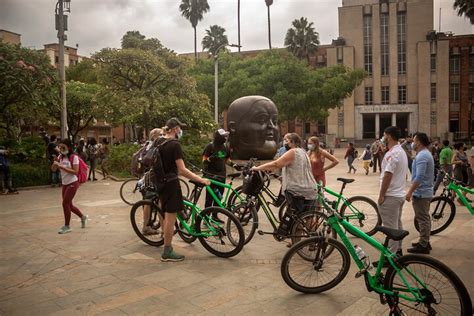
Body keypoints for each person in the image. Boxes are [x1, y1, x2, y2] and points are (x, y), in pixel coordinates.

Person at [158, 118, 210, 262]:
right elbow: (182, 170)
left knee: (166, 212)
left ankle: (167, 240)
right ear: (175, 129)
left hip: (161, 183)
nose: (181, 131)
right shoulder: (174, 145)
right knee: (170, 217)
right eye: (180, 128)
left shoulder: (159, 141)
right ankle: (167, 250)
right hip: (171, 183)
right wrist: (200, 179)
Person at [252, 133, 317, 237]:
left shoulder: (293, 152)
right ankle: (309, 241)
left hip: (298, 190)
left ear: (293, 142)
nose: (285, 142)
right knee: (305, 217)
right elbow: (299, 168)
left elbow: (276, 164)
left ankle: (298, 239)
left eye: (287, 140)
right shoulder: (303, 152)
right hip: (310, 188)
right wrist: (284, 177)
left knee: (297, 216)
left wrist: (257, 168)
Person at [375, 126, 408, 265]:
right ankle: (398, 251)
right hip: (398, 194)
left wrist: (382, 195)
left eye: (384, 135)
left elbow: (388, 174)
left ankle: (391, 257)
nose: (383, 138)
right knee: (397, 225)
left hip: (391, 196)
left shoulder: (394, 153)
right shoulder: (400, 151)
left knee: (391, 229)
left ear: (388, 136)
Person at [51, 139, 88, 234]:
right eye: (60, 147)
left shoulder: (74, 157)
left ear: (69, 147)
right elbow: (53, 169)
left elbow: (75, 171)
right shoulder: (60, 157)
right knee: (69, 205)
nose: (61, 149)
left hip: (73, 183)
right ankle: (83, 217)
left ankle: (67, 226)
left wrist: (61, 167)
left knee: (65, 204)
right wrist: (55, 163)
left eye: (63, 147)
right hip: (65, 184)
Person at [405, 133, 434, 254]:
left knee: (423, 219)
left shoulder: (422, 156)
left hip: (422, 192)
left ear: (419, 142)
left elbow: (419, 177)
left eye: (414, 140)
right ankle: (425, 241)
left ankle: (423, 245)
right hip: (424, 192)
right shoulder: (425, 154)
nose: (412, 142)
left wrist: (409, 192)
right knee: (423, 218)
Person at [202, 129, 240, 209]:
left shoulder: (225, 147)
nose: (225, 138)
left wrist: (234, 165)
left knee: (219, 197)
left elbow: (226, 160)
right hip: (211, 176)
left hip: (221, 176)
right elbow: (204, 160)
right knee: (209, 198)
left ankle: (215, 215)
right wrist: (210, 159)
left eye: (226, 136)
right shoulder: (210, 146)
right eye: (223, 136)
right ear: (218, 137)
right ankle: (206, 216)